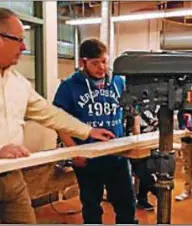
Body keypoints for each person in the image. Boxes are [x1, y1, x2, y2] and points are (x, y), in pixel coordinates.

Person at [0, 8, 115, 224]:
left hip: (12, 175)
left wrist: (87, 131)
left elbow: (49, 114)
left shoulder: (18, 82)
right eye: (18, 40)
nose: (24, 47)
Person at [53, 38, 137, 224]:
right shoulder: (69, 86)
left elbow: (132, 110)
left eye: (105, 61)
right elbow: (59, 121)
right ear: (83, 62)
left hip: (117, 155)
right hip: (88, 158)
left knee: (127, 203)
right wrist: (74, 151)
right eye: (95, 63)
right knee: (91, 207)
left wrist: (136, 137)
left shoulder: (117, 81)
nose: (101, 67)